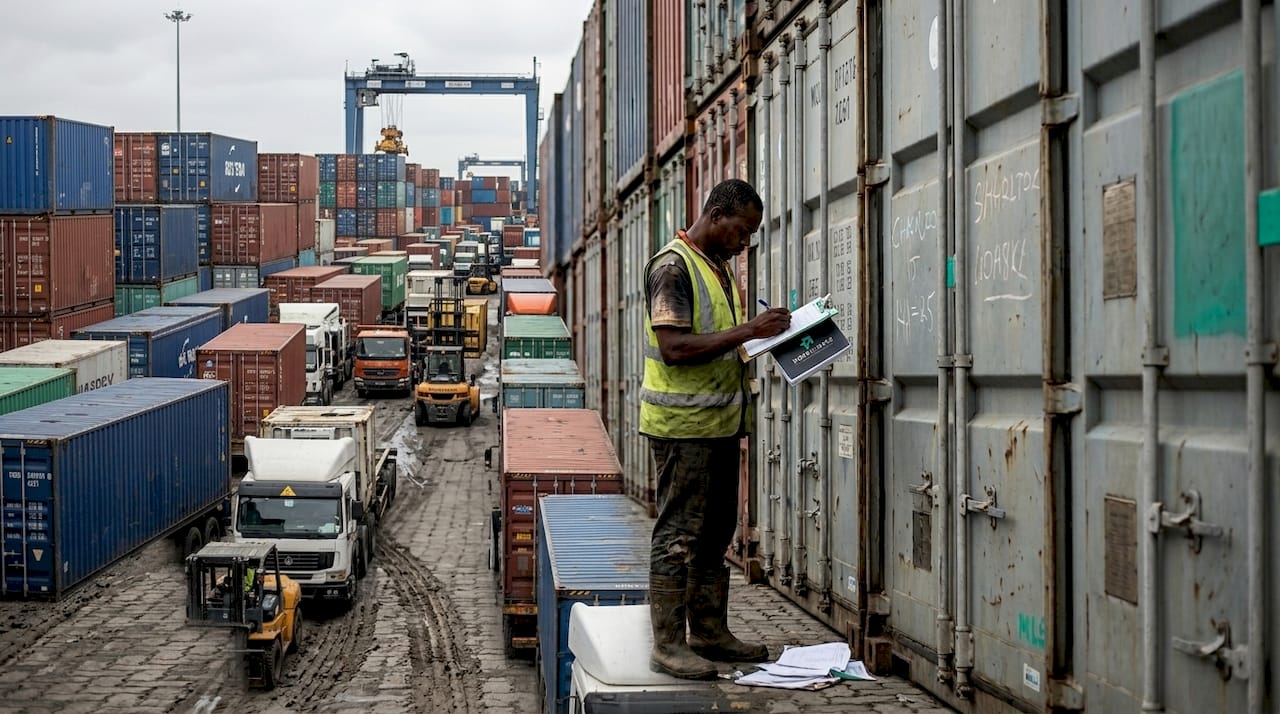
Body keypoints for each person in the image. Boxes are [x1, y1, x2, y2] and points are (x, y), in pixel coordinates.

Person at [641, 179, 791, 680]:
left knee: (716, 532)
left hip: (721, 425)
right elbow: (675, 348)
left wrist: (781, 341)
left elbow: (721, 343)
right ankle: (667, 643)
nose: (744, 242)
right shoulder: (672, 268)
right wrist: (751, 330)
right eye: (742, 231)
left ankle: (709, 631)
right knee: (679, 534)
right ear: (716, 213)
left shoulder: (718, 269)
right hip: (683, 428)